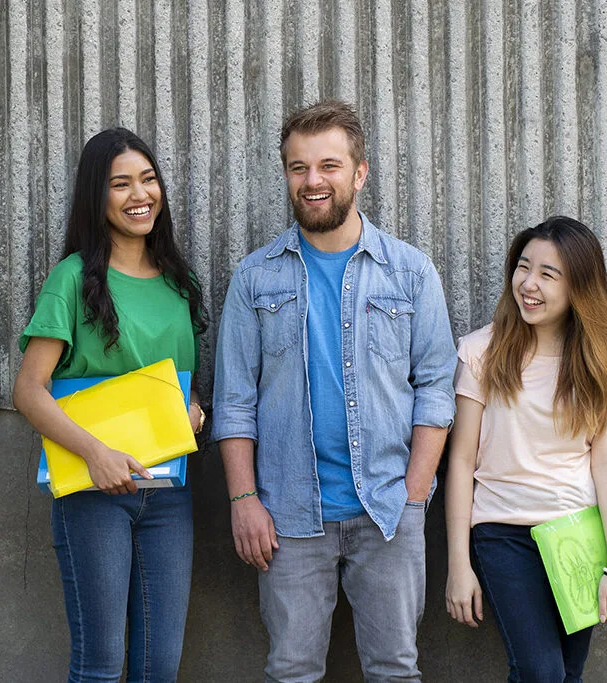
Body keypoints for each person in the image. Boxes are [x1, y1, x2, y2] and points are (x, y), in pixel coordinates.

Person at [211, 99, 457, 683]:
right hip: (290, 514)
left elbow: (436, 389)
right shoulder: (254, 278)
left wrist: (415, 493)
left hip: (388, 512)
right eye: (299, 168)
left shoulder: (410, 272)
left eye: (328, 166)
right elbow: (235, 401)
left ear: (359, 172)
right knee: (291, 668)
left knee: (395, 669)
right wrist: (244, 500)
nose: (313, 181)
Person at [12, 127, 207, 682]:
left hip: (168, 493)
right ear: (96, 198)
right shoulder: (72, 279)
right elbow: (29, 389)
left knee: (159, 667)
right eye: (120, 184)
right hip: (93, 492)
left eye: (148, 180)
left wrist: (196, 412)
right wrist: (96, 453)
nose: (139, 195)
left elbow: (180, 382)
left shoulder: (179, 281)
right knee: (100, 664)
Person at [443, 216, 607, 683]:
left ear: (579, 289)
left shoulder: (605, 360)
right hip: (503, 534)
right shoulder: (481, 352)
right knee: (540, 673)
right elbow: (461, 461)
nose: (528, 285)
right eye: (523, 268)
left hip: (577, 535)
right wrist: (458, 564)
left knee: (568, 674)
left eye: (548, 275)